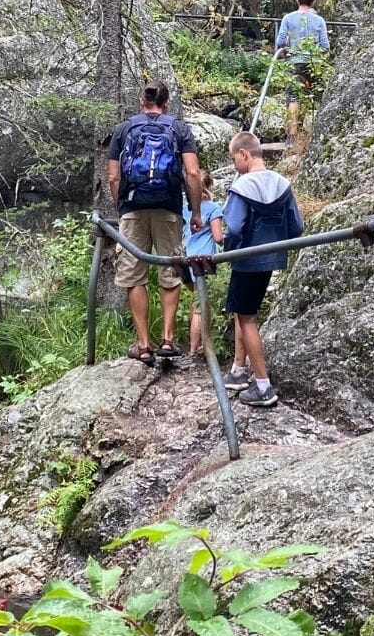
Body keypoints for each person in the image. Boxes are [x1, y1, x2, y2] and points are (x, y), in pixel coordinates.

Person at [105, 82, 203, 365]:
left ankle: (144, 345)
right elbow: (193, 173)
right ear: (166, 103)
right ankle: (169, 340)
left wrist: (122, 207)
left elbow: (113, 177)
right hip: (169, 207)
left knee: (134, 275)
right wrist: (195, 212)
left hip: (133, 208)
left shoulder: (124, 129)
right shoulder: (179, 128)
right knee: (170, 270)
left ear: (141, 101)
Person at [220, 131, 304, 407]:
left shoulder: (242, 186)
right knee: (244, 311)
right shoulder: (282, 184)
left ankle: (263, 386)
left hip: (246, 259)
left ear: (243, 154)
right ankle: (238, 370)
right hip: (270, 258)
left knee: (247, 319)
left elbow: (232, 227)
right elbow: (297, 227)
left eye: (234, 159)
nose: (235, 165)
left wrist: (227, 250)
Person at [273, 0, 330, 140]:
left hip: (293, 62)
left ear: (297, 1)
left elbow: (280, 42)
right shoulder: (319, 20)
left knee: (293, 97)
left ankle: (292, 137)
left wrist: (289, 48)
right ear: (313, 2)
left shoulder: (288, 18)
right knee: (319, 96)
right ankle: (318, 135)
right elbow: (325, 46)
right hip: (314, 63)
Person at [182, 165, 225, 358]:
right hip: (203, 261)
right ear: (210, 186)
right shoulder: (213, 208)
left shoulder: (184, 209)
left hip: (185, 260)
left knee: (195, 303)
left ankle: (196, 346)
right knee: (201, 306)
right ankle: (197, 349)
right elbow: (218, 237)